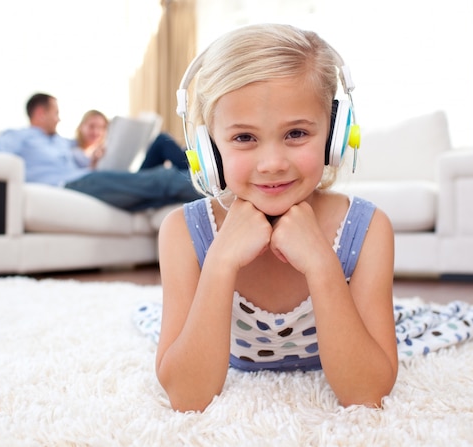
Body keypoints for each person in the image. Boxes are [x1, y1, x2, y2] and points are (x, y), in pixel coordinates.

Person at [155, 24, 399, 413]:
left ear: (335, 136)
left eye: (297, 133)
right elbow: (187, 396)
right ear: (208, 149)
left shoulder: (367, 230)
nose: (272, 164)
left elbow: (367, 393)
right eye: (244, 138)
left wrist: (321, 264)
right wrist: (220, 262)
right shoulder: (183, 233)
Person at [0, 93, 201, 211]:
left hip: (86, 179)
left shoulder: (60, 142)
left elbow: (83, 160)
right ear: (40, 113)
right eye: (55, 113)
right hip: (71, 185)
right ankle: (213, 185)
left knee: (161, 178)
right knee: (162, 179)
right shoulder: (20, 136)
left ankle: (204, 176)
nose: (59, 119)